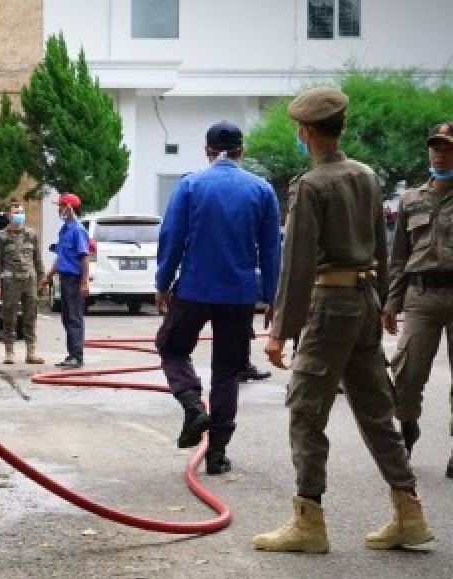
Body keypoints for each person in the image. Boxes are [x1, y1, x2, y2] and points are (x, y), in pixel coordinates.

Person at [255, 87, 434, 554]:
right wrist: (378, 303)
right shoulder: (366, 176)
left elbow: (296, 265)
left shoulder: (311, 185)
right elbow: (381, 245)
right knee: (377, 410)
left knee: (306, 409)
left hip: (330, 303)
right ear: (341, 127)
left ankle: (308, 522)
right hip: (363, 304)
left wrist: (280, 332)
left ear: (306, 131)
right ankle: (408, 512)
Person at [153, 121, 282, 474]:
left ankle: (193, 405)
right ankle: (216, 454)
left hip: (193, 288)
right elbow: (271, 250)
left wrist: (163, 282)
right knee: (228, 370)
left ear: (207, 151)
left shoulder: (191, 185)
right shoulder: (262, 190)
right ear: (242, 151)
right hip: (239, 294)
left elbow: (172, 238)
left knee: (173, 348)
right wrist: (271, 296)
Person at [383, 121, 453, 475]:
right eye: (435, 148)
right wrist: (391, 302)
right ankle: (407, 426)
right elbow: (398, 257)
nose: (439, 154)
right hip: (421, 295)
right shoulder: (411, 199)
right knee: (407, 373)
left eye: (447, 148)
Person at [0, 201, 45, 364]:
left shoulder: (31, 234)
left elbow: (37, 258)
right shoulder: (1, 237)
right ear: (9, 215)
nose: (19, 215)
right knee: (9, 316)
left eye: (21, 211)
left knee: (31, 316)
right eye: (16, 212)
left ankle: (31, 352)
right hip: (11, 281)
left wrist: (43, 277)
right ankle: (9, 351)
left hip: (30, 280)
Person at [41, 193, 89, 368]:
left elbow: (84, 258)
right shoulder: (64, 230)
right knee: (66, 317)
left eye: (61, 206)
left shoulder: (78, 230)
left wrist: (84, 282)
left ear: (69, 208)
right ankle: (71, 354)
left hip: (75, 279)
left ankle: (77, 356)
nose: (59, 210)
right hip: (64, 279)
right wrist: (48, 275)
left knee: (74, 318)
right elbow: (60, 257)